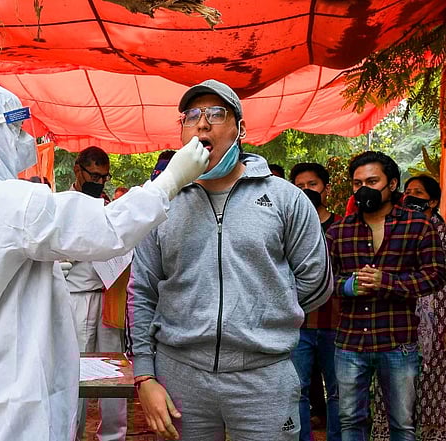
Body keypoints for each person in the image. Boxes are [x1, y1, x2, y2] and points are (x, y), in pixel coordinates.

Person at [0, 81, 209, 441]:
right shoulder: (10, 201)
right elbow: (108, 228)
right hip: (17, 387)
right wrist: (169, 181)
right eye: (15, 130)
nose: (25, 141)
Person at [130, 79, 334, 441]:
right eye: (191, 115)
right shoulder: (160, 203)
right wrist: (145, 375)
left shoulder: (285, 198)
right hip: (181, 374)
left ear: (240, 129)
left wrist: (260, 310)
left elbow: (315, 280)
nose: (202, 123)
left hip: (264, 375)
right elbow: (143, 290)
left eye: (216, 113)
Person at [325, 151, 446, 441]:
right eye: (356, 183)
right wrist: (347, 286)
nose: (362, 189)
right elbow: (322, 280)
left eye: (371, 180)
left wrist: (387, 282)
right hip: (350, 343)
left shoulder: (418, 226)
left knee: (402, 424)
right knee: (350, 421)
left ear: (392, 184)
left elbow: (435, 275)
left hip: (398, 342)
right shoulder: (339, 230)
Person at [370, 175, 446, 441]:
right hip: (396, 324)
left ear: (433, 201)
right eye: (408, 191)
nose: (411, 196)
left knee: (433, 396)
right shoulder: (395, 230)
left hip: (437, 332)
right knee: (391, 392)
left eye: (419, 192)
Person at [65, 146, 127, 441]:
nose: (100, 182)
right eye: (95, 175)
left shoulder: (108, 207)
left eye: (105, 177)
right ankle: (71, 434)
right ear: (78, 170)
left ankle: (113, 436)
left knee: (114, 370)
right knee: (74, 371)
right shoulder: (59, 205)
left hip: (109, 297)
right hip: (75, 298)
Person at [289, 162, 341, 441]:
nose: (306, 190)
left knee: (338, 392)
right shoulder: (287, 226)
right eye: (299, 186)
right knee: (296, 390)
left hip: (336, 322)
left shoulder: (342, 227)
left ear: (326, 189)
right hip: (298, 323)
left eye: (312, 185)